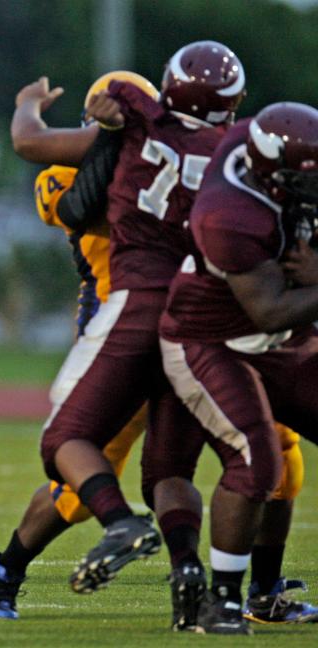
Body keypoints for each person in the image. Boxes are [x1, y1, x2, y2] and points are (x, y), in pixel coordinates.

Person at [28, 41, 245, 606]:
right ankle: (213, 590)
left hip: (124, 317)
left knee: (69, 445)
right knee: (227, 464)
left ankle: (13, 563)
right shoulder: (220, 153)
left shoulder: (122, 155)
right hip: (200, 320)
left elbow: (81, 202)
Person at [0, 71, 158, 621]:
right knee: (78, 482)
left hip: (188, 325)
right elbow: (90, 204)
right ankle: (6, 566)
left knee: (259, 451)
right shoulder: (74, 173)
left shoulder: (174, 153)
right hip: (117, 330)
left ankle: (236, 587)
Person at [158, 102, 318, 634]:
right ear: (272, 174)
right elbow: (269, 307)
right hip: (211, 338)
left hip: (278, 337)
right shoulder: (228, 214)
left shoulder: (262, 143)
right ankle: (221, 602)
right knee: (257, 459)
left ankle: (266, 593)